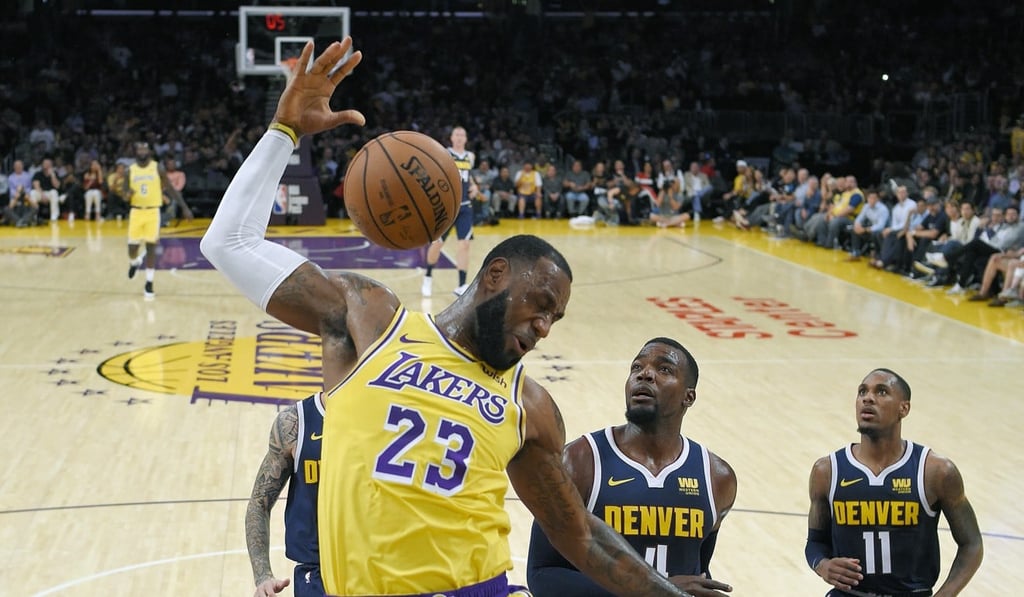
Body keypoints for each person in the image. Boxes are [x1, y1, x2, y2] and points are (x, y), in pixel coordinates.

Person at [201, 39, 691, 597]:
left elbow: (581, 535)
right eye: (541, 305)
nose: (545, 328)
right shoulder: (369, 320)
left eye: (556, 317)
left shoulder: (529, 406)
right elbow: (230, 242)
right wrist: (283, 132)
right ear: (496, 275)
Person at [527, 338, 737, 597]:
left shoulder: (716, 478)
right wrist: (655, 591)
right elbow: (542, 574)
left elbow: (698, 572)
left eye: (664, 369)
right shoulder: (581, 461)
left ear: (688, 396)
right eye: (636, 368)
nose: (645, 374)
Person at [806, 369, 983, 596]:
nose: (868, 398)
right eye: (862, 392)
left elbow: (972, 544)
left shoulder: (936, 472)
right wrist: (822, 565)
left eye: (881, 392)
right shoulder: (827, 471)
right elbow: (815, 542)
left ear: (904, 408)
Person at [245, 393, 325, 597]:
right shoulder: (296, 421)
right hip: (316, 575)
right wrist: (263, 576)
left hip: (368, 568)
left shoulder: (379, 419)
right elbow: (259, 503)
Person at [125, 140, 184, 299]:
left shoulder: (157, 167)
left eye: (145, 148)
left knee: (151, 247)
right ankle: (134, 262)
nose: (142, 150)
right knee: (132, 248)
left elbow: (170, 188)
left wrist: (184, 207)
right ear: (136, 152)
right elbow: (124, 194)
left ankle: (149, 283)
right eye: (140, 148)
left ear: (149, 152)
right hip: (136, 212)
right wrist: (127, 194)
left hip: (153, 212)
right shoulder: (130, 170)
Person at [422, 125, 475, 298]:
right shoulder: (445, 153)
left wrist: (474, 186)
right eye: (457, 134)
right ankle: (428, 276)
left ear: (466, 138)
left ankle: (461, 285)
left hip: (465, 207)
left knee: (464, 245)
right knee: (437, 244)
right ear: (451, 138)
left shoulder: (470, 157)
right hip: (447, 207)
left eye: (462, 134)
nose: (460, 137)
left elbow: (468, 176)